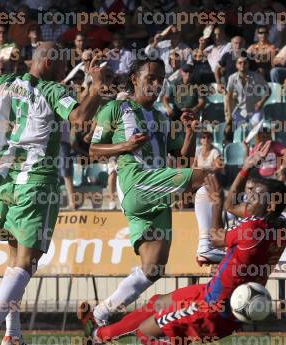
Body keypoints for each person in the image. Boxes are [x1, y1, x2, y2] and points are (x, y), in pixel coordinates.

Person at [0, 27, 107, 345]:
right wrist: (97, 85)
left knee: (14, 261)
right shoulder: (54, 90)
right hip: (37, 181)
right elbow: (80, 117)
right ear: (50, 63)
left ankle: (13, 335)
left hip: (8, 180)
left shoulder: (5, 83)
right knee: (27, 262)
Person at [78, 155, 286, 345]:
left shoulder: (253, 229)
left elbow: (217, 236)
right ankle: (98, 335)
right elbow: (232, 204)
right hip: (217, 294)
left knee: (146, 333)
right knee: (158, 302)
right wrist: (244, 170)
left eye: (255, 193)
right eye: (250, 190)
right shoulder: (280, 225)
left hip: (213, 308)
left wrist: (216, 203)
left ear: (271, 204)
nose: (248, 195)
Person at [85, 57, 219, 327]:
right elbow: (93, 150)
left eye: (160, 80)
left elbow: (182, 161)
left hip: (155, 191)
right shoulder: (115, 109)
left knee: (153, 269)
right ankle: (207, 244)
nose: (156, 85)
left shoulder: (160, 118)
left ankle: (100, 314)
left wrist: (190, 133)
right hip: (137, 183)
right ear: (135, 78)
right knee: (207, 179)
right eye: (151, 78)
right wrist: (125, 145)